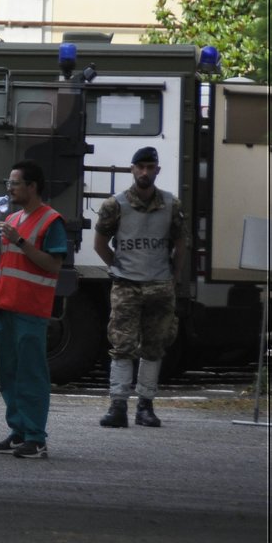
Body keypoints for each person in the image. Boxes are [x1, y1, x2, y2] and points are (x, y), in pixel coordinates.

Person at [0, 159, 69, 459]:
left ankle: (36, 437)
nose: (9, 188)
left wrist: (19, 242)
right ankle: (19, 432)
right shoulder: (12, 219)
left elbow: (53, 265)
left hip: (31, 310)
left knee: (31, 374)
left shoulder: (50, 220)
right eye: (9, 183)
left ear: (32, 187)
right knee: (10, 374)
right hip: (6, 307)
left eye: (15, 183)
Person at [92, 146, 186, 428]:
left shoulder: (171, 205)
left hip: (159, 285)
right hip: (127, 285)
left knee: (155, 346)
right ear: (132, 169)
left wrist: (174, 276)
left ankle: (145, 405)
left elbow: (181, 243)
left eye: (150, 167)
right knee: (122, 345)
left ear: (157, 170)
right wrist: (119, 268)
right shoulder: (115, 205)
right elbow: (100, 243)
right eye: (140, 167)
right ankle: (117, 405)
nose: (145, 172)